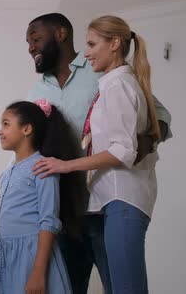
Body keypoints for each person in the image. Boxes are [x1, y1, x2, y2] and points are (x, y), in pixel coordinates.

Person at [0, 13, 172, 294]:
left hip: (105, 205)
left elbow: (156, 113)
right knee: (64, 288)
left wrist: (144, 144)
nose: (30, 48)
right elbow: (29, 158)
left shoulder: (102, 71)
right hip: (63, 211)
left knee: (120, 286)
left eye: (36, 39)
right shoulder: (37, 91)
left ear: (60, 34)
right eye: (28, 42)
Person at [34, 15, 161, 294]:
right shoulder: (110, 84)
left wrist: (66, 166)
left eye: (92, 44)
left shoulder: (118, 85)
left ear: (115, 43)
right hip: (106, 201)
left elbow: (123, 150)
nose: (87, 52)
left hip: (123, 198)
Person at [0, 100, 77, 294]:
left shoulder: (43, 167)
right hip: (7, 261)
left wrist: (37, 273)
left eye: (6, 124)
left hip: (32, 259)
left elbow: (49, 221)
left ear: (26, 129)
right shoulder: (7, 173)